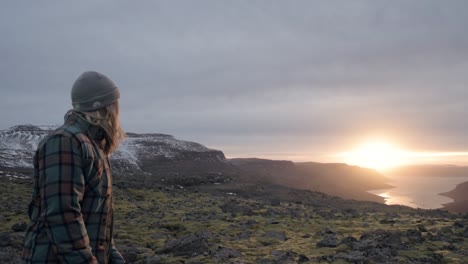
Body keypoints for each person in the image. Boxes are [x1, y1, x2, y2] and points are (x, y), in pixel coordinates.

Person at [22, 71, 126, 263]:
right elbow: (62, 215)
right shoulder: (65, 142)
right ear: (105, 107)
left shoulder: (95, 146)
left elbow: (97, 222)